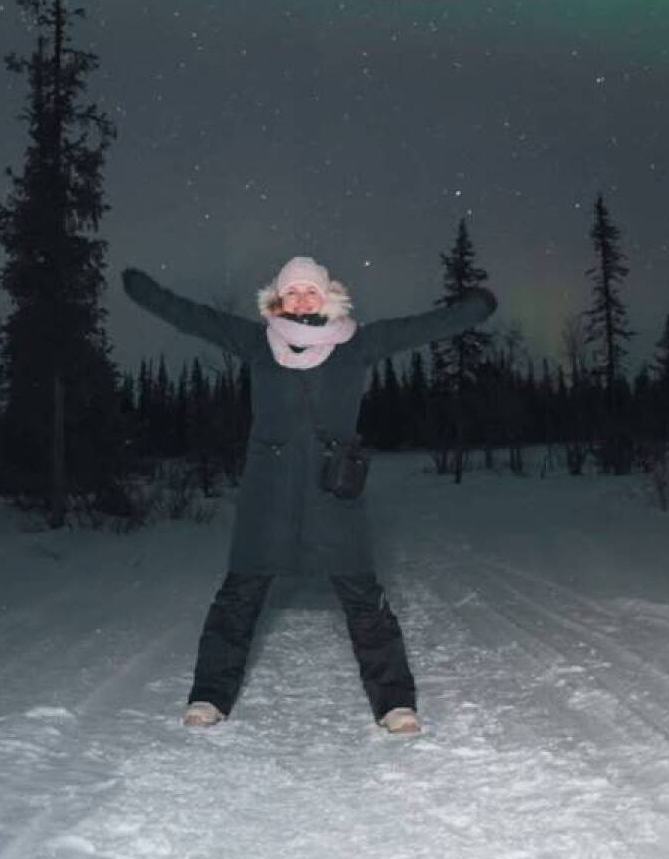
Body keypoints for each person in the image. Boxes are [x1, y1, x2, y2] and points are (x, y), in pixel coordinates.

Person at [122, 255, 496, 734]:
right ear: (279, 299)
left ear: (327, 296)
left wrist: (473, 308)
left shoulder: (356, 343)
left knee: (363, 598)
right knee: (239, 596)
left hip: (333, 489)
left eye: (310, 291)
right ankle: (209, 696)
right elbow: (191, 316)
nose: (301, 299)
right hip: (268, 492)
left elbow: (423, 326)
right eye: (292, 292)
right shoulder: (258, 342)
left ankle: (394, 704)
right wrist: (145, 290)